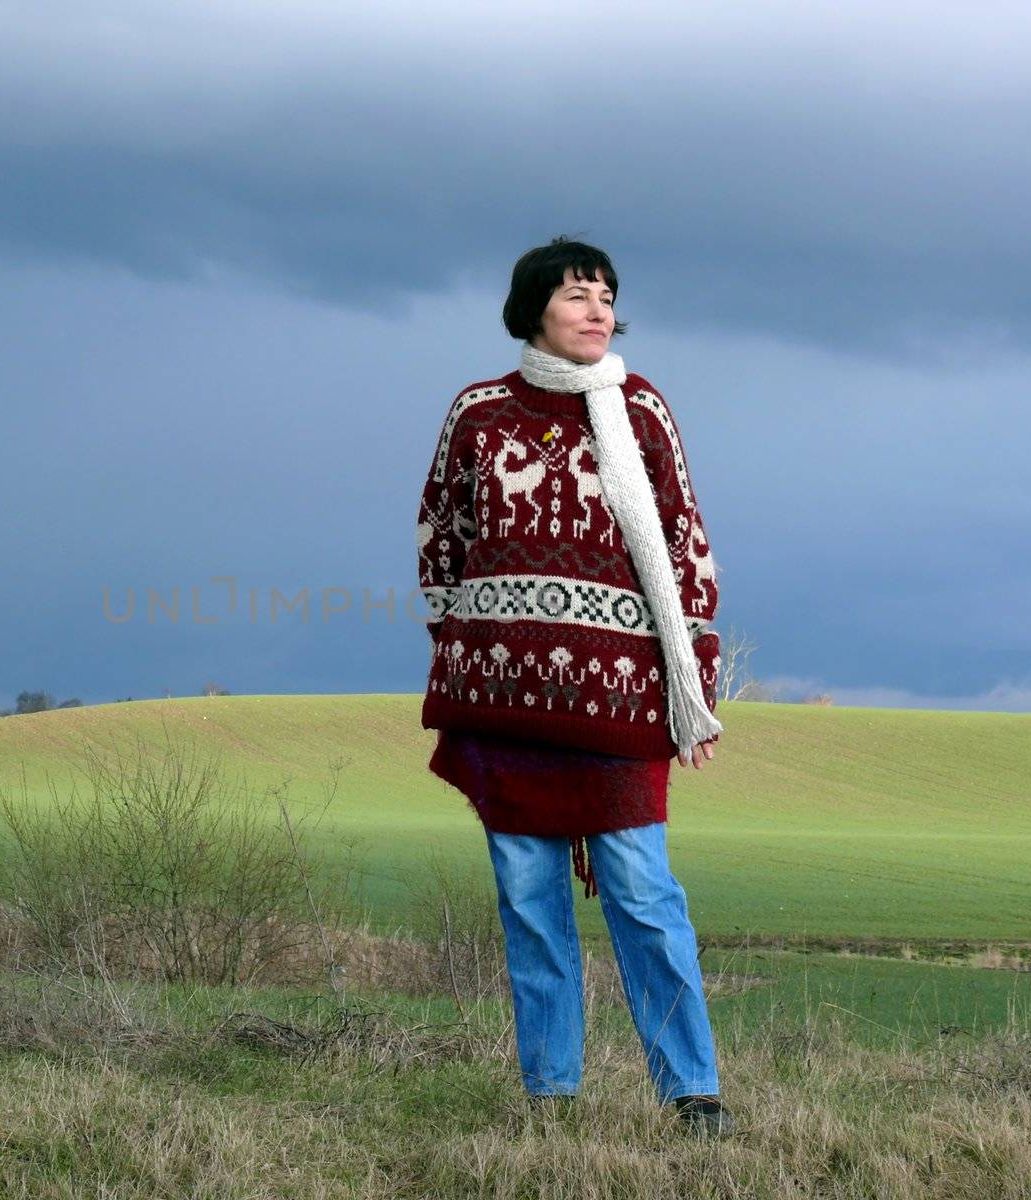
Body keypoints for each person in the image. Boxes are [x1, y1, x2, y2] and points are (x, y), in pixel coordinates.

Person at [415, 235, 732, 1138]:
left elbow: (686, 548)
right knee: (530, 906)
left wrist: (691, 686)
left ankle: (693, 1093)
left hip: (619, 707)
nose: (596, 310)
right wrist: (484, 642)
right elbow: (440, 535)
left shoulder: (642, 411)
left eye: (606, 296)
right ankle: (550, 1097)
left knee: (643, 897)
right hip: (505, 707)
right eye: (575, 296)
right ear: (533, 312)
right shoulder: (477, 414)